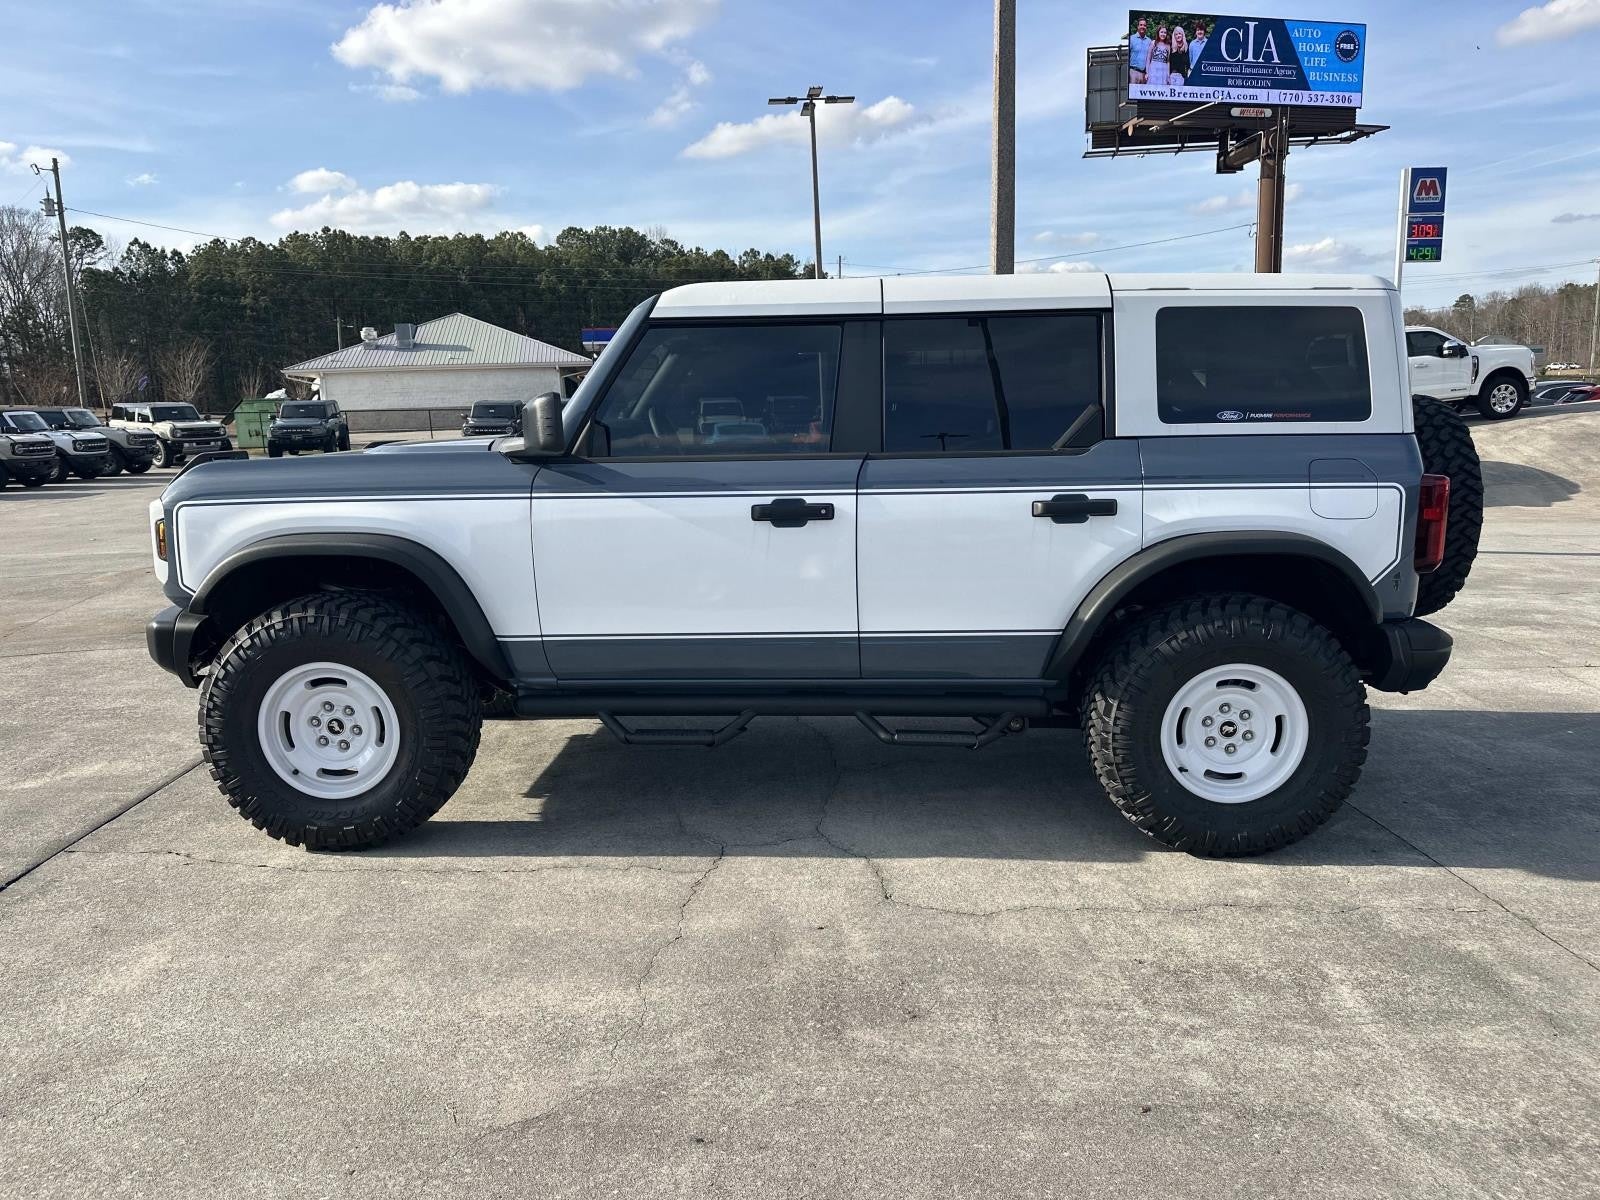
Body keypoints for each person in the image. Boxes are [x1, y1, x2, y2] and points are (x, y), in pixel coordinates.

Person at [1128, 17, 1152, 85]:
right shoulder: (1131, 39)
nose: (1143, 27)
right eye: (1141, 25)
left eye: (1144, 25)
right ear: (1138, 26)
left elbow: (1150, 58)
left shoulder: (1149, 41)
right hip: (1133, 72)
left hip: (1144, 74)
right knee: (1132, 95)